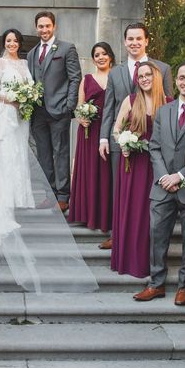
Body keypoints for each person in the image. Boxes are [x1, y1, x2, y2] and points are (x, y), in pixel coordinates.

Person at [0, 29, 97, 294]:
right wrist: (13, 99)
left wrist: (26, 98)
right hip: (6, 116)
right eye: (8, 41)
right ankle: (2, 208)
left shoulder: (25, 62)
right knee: (5, 160)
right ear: (3, 43)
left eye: (15, 40)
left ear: (19, 43)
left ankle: (19, 199)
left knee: (18, 158)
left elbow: (33, 87)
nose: (12, 44)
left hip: (20, 120)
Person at [135, 61, 185, 303]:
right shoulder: (165, 109)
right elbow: (155, 146)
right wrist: (163, 177)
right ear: (176, 80)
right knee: (156, 235)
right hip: (162, 186)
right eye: (182, 77)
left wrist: (180, 176)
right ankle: (156, 283)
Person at [98, 22, 172, 250]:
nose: (134, 43)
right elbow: (109, 106)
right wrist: (104, 138)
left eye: (139, 39)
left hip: (156, 143)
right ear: (124, 42)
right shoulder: (116, 72)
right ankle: (119, 234)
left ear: (147, 41)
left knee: (149, 195)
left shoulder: (163, 68)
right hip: (124, 143)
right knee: (120, 191)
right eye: (130, 39)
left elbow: (169, 103)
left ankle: (148, 238)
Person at [110, 61, 165, 278]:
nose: (143, 79)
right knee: (133, 213)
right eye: (140, 76)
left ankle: (150, 261)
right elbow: (117, 129)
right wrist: (124, 142)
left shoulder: (168, 103)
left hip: (158, 167)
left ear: (156, 76)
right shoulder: (131, 101)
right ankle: (130, 260)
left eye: (147, 74)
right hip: (133, 165)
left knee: (151, 217)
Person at [27, 11, 82, 212]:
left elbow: (75, 77)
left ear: (54, 26)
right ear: (36, 28)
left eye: (47, 26)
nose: (44, 30)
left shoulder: (67, 48)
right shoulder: (32, 53)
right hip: (37, 112)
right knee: (43, 154)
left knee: (61, 152)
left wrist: (69, 105)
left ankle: (63, 195)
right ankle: (49, 194)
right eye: (40, 26)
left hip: (60, 110)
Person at [67, 42, 114, 232]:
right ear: (93, 59)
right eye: (96, 55)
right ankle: (88, 214)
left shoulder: (117, 77)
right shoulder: (86, 79)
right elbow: (79, 105)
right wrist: (81, 118)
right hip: (89, 130)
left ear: (110, 56)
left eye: (104, 53)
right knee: (91, 170)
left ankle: (106, 215)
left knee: (106, 172)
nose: (100, 57)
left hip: (110, 130)